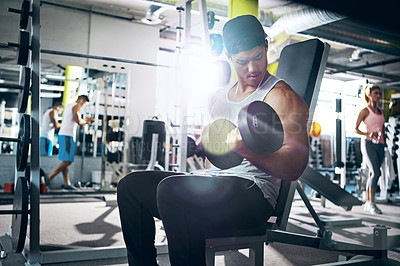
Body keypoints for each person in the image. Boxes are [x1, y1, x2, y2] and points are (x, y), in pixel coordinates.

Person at [117, 15, 309, 266]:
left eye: (258, 57)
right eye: (242, 61)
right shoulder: (218, 97)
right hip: (216, 186)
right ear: (228, 57)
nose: (252, 68)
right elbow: (217, 157)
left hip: (254, 194)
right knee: (130, 186)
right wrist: (203, 148)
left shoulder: (281, 96)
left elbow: (295, 166)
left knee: (172, 191)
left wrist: (248, 151)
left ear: (265, 45)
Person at [47, 95, 93, 190]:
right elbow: (78, 121)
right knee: (68, 161)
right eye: (84, 104)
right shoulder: (76, 106)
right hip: (67, 136)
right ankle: (50, 177)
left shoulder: (69, 105)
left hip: (64, 135)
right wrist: (87, 121)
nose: (83, 106)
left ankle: (67, 184)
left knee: (65, 161)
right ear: (81, 100)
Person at [355, 83, 386, 214]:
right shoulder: (365, 111)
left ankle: (368, 203)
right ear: (369, 94)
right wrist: (368, 134)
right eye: (376, 93)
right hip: (368, 143)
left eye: (379, 93)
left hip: (380, 145)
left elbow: (383, 128)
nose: (378, 96)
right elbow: (355, 129)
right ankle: (372, 203)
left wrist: (385, 144)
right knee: (376, 172)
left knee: (374, 174)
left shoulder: (382, 112)